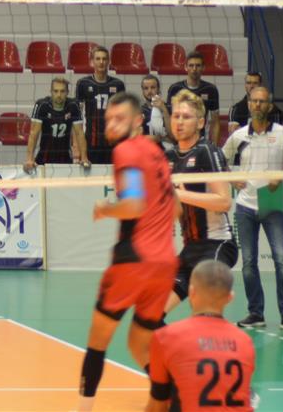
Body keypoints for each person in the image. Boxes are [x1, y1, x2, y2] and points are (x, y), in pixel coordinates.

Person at [77, 92, 176, 412]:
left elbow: (133, 205)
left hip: (134, 261)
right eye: (108, 119)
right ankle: (175, 398)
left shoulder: (126, 151)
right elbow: (175, 208)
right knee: (139, 343)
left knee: (98, 341)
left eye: (119, 119)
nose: (111, 125)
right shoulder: (156, 152)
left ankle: (83, 409)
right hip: (165, 263)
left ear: (138, 121)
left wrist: (105, 208)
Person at [222, 85, 283, 331]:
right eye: (254, 101)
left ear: (269, 106)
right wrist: (231, 179)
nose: (257, 105)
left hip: (272, 206)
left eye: (262, 101)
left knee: (282, 259)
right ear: (249, 104)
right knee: (248, 263)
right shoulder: (238, 135)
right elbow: (220, 159)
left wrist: (280, 176)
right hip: (244, 207)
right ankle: (255, 313)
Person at [145, 260, 256, 412]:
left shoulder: (166, 337)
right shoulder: (245, 342)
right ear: (230, 298)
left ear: (191, 292)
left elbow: (157, 406)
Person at [165, 90, 237, 316]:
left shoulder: (207, 151)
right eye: (176, 116)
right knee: (150, 314)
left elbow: (224, 202)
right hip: (190, 248)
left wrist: (179, 195)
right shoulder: (169, 157)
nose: (179, 122)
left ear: (200, 122)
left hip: (216, 244)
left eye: (186, 117)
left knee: (204, 309)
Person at [24, 76, 87, 172]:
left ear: (67, 92)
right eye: (56, 91)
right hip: (44, 158)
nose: (59, 95)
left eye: (62, 91)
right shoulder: (42, 105)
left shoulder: (73, 106)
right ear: (51, 92)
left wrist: (84, 157)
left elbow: (80, 133)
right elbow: (33, 134)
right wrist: (29, 159)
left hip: (65, 159)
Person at [76, 47, 126, 165]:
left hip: (112, 142)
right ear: (92, 61)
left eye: (104, 59)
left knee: (112, 175)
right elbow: (77, 117)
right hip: (91, 142)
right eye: (98, 59)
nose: (101, 62)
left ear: (109, 61)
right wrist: (76, 145)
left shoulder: (118, 84)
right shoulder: (83, 83)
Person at [166, 52, 221, 145]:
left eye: (198, 65)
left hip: (201, 139)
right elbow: (169, 117)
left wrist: (215, 146)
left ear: (203, 68)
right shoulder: (175, 88)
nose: (194, 69)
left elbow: (215, 121)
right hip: (179, 140)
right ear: (186, 67)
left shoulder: (211, 89)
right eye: (191, 65)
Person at [139, 74, 170, 147]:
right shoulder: (139, 111)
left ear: (158, 89)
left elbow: (174, 137)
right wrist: (152, 138)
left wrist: (164, 110)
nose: (149, 91)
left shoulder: (168, 108)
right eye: (146, 88)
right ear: (142, 91)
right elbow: (134, 138)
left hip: (166, 151)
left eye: (153, 87)